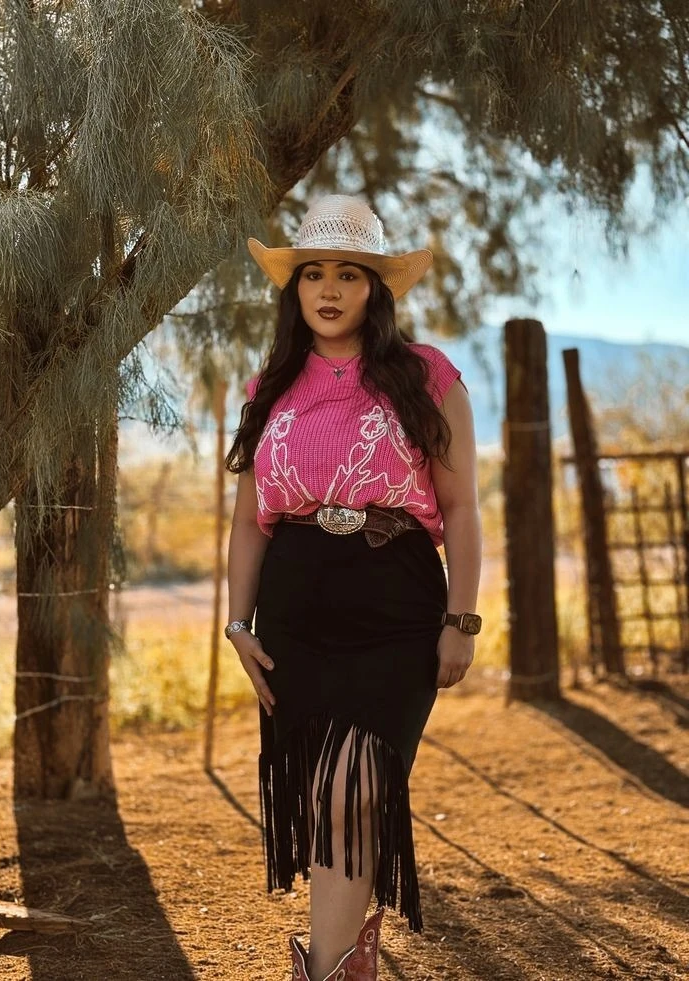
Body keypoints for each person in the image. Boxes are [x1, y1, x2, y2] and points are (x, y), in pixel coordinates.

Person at [224, 195, 482, 981]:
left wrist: (461, 617)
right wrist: (238, 624)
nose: (329, 289)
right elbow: (248, 522)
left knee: (353, 787)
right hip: (296, 610)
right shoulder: (267, 384)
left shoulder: (425, 374)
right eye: (313, 275)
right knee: (330, 807)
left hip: (396, 604)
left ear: (377, 289)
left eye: (349, 274)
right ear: (294, 289)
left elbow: (465, 505)